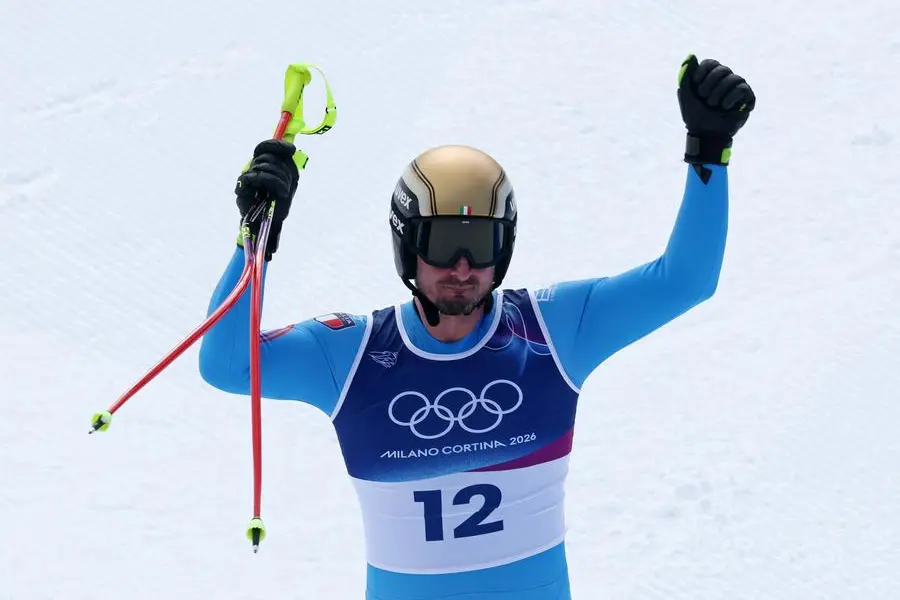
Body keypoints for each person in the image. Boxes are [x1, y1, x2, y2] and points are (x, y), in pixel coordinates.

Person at [198, 54, 756, 600]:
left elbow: (685, 280)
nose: (462, 268)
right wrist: (256, 239)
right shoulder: (351, 355)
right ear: (407, 246)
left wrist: (708, 151)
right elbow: (225, 365)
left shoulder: (552, 333)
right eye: (442, 244)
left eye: (481, 244)